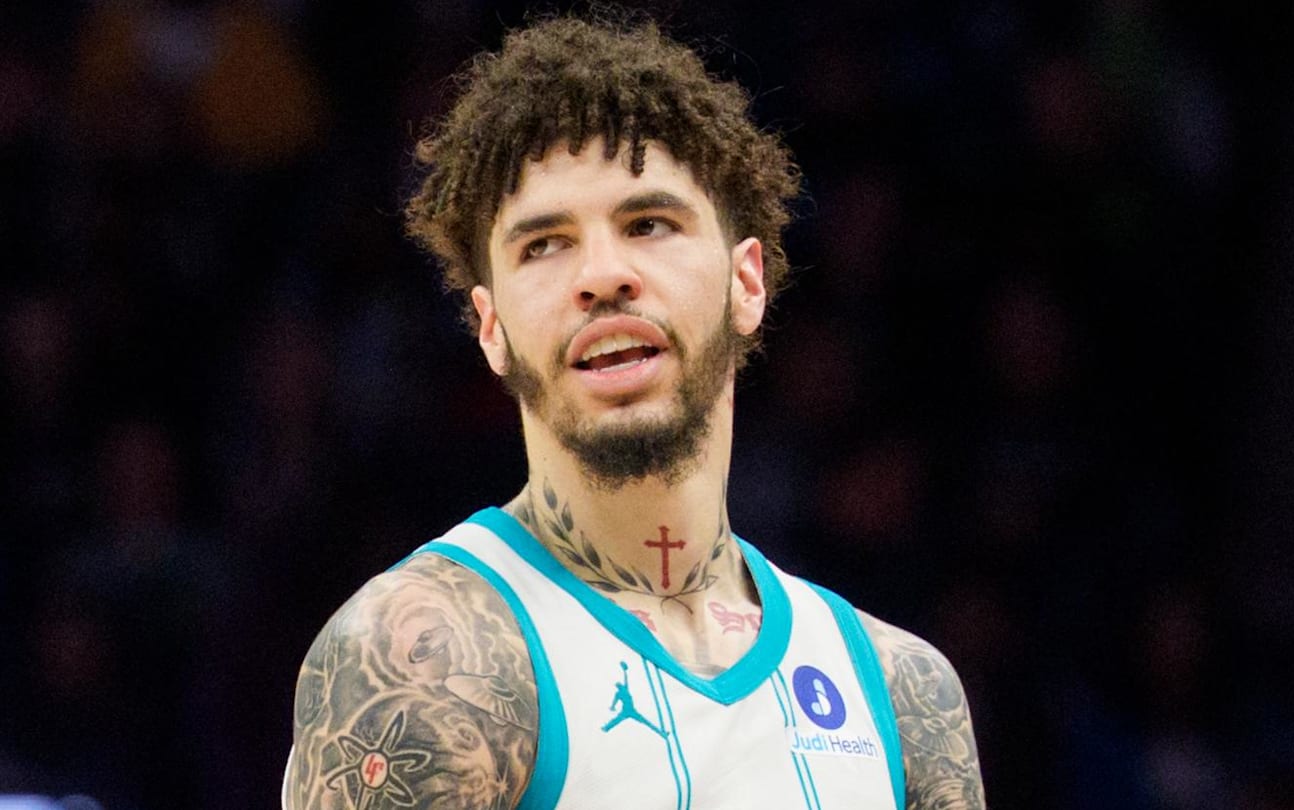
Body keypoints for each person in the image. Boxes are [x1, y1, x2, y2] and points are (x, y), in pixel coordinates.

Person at [283, 13, 985, 810]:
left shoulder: (903, 694)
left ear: (746, 283)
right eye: (544, 244)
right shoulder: (424, 664)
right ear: (491, 328)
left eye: (648, 224)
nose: (602, 274)